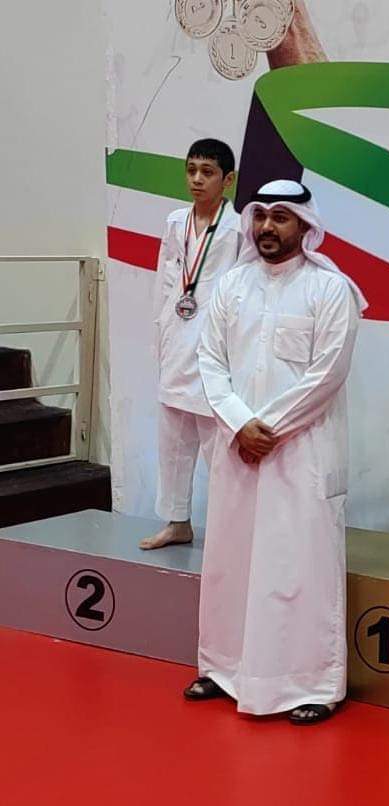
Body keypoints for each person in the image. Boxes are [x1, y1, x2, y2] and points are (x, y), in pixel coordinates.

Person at [184, 180, 365, 725]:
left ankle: (312, 684)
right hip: (238, 449)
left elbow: (328, 373)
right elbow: (210, 362)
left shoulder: (330, 289)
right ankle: (224, 669)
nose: (267, 226)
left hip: (301, 453)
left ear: (305, 225)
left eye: (281, 217)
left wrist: (270, 429)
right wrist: (241, 425)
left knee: (299, 566)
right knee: (231, 562)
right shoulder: (230, 286)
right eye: (260, 215)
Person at [139, 139, 242, 550]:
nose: (197, 179)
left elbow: (243, 293)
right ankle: (177, 521)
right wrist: (160, 335)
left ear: (227, 180)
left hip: (216, 348)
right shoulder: (174, 222)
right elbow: (163, 284)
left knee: (220, 452)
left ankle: (228, 533)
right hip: (176, 339)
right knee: (173, 444)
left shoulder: (239, 228)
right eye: (191, 170)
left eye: (207, 172)